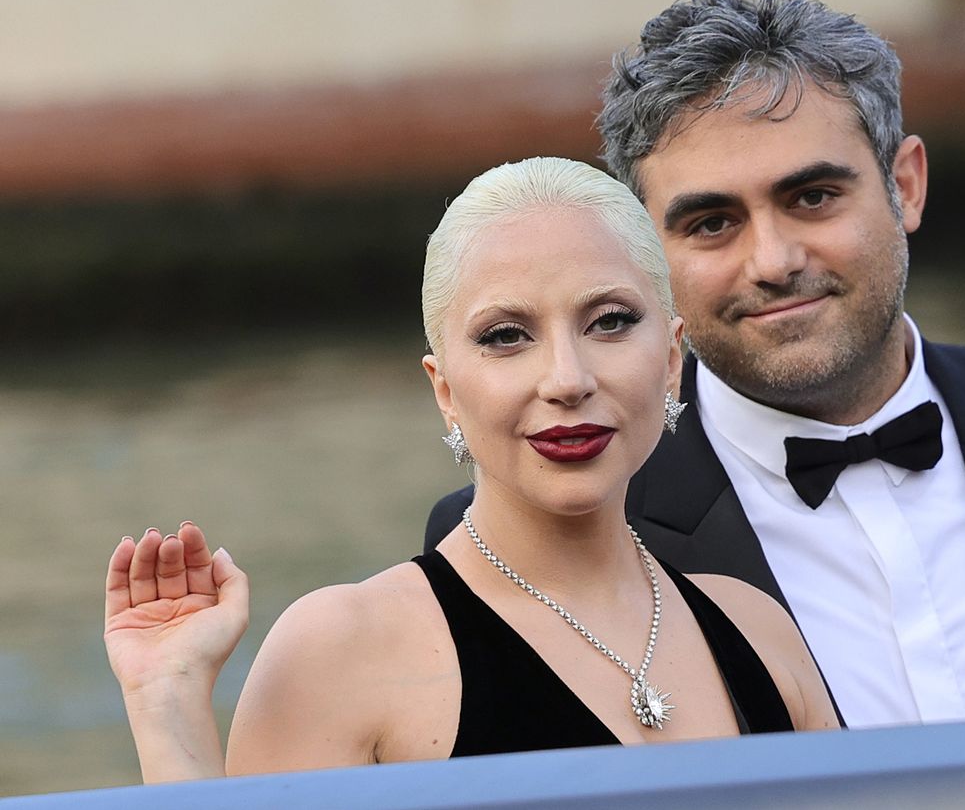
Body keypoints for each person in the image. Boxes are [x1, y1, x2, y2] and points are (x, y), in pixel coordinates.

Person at [427, 0, 965, 727]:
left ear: (903, 185)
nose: (773, 260)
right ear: (647, 252)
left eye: (813, 196)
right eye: (712, 221)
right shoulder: (537, 521)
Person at [104, 157, 837, 783]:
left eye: (609, 320)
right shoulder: (340, 651)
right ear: (445, 390)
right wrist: (167, 703)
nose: (566, 378)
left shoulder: (758, 630)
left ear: (673, 359)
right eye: (507, 335)